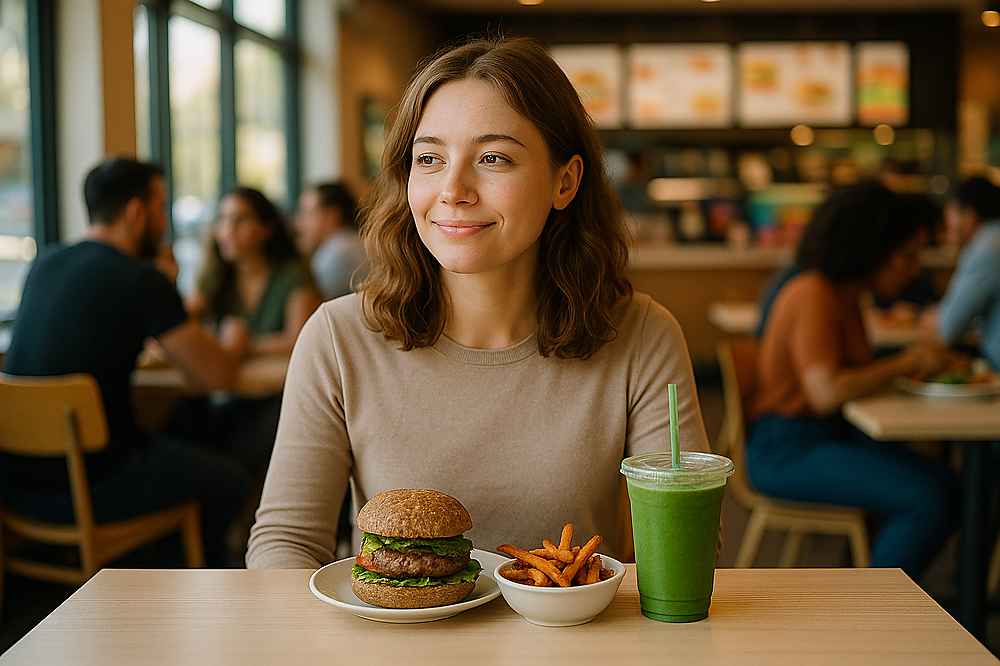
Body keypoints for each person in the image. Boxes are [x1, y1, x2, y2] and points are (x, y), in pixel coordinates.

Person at [246, 37, 710, 569]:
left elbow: (685, 549)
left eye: (493, 158)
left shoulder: (642, 335)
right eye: (430, 158)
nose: (453, 189)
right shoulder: (338, 337)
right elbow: (287, 542)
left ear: (565, 181)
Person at [1, 157, 252, 567]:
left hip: (16, 485)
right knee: (230, 480)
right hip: (91, 487)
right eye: (159, 208)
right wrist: (235, 342)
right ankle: (185, 589)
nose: (163, 222)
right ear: (136, 212)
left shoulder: (45, 261)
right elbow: (216, 376)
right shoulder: (139, 278)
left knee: (174, 431)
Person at [748, 182, 958, 580]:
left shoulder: (843, 294)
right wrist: (905, 363)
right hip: (786, 448)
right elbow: (825, 392)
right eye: (906, 256)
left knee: (943, 482)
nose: (913, 269)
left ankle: (905, 600)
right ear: (872, 250)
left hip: (822, 438)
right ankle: (880, 608)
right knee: (928, 497)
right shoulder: (814, 293)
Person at [173, 187, 322, 476]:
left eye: (240, 220)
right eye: (223, 220)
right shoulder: (216, 279)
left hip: (278, 395)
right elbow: (182, 320)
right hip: (230, 393)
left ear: (265, 229)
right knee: (181, 420)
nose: (227, 230)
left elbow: (299, 338)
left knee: (237, 449)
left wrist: (243, 345)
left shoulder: (291, 275)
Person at [931, 176, 1000, 370]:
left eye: (950, 211)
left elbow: (948, 328)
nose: (947, 222)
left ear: (969, 214)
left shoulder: (986, 247)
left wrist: (930, 317)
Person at [294, 181, 367, 300]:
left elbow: (310, 302)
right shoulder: (351, 242)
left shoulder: (335, 254)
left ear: (332, 215)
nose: (299, 223)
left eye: (307, 213)